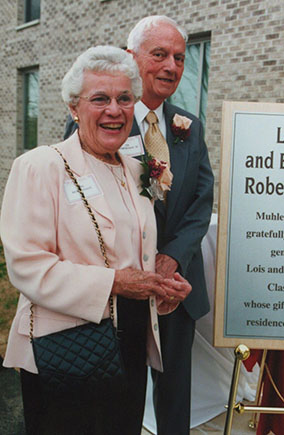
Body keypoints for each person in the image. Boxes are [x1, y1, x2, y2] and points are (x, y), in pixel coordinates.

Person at [0, 45, 191, 435]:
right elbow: (27, 266)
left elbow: (133, 254)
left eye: (124, 99)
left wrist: (161, 288)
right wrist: (115, 282)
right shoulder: (41, 166)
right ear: (74, 106)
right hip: (67, 352)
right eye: (99, 99)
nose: (114, 110)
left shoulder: (138, 169)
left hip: (132, 345)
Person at [64, 16, 214, 434]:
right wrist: (130, 269)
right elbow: (82, 203)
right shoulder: (100, 119)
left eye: (180, 58)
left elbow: (201, 203)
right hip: (121, 289)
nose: (171, 66)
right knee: (118, 398)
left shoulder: (189, 126)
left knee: (175, 402)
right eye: (160, 54)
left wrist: (171, 260)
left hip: (175, 287)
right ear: (132, 58)